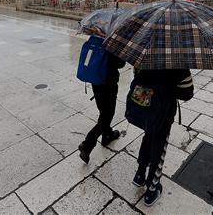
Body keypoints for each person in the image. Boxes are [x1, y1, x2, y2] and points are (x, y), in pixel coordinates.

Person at [130, 69, 194, 206]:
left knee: (147, 137)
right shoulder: (178, 63)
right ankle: (151, 190)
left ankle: (140, 174)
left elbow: (137, 75)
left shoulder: (145, 56)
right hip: (163, 113)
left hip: (146, 105)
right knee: (159, 147)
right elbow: (187, 93)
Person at [78, 33, 125, 163]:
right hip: (108, 84)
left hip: (96, 81)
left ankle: (107, 135)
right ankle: (87, 144)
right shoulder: (114, 41)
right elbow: (120, 63)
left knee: (103, 112)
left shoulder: (97, 37)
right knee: (107, 115)